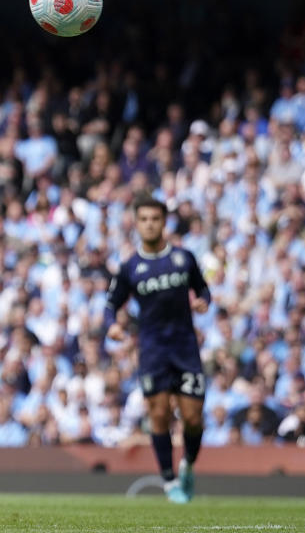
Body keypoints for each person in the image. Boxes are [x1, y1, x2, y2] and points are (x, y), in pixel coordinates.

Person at [105, 196, 211, 503]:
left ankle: (188, 465)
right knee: (159, 413)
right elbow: (112, 303)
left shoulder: (183, 259)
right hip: (152, 350)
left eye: (155, 218)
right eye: (144, 219)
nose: (150, 224)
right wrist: (112, 325)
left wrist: (203, 300)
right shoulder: (130, 267)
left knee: (193, 418)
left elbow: (202, 287)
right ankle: (168, 481)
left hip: (185, 348)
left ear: (164, 222)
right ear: (136, 224)